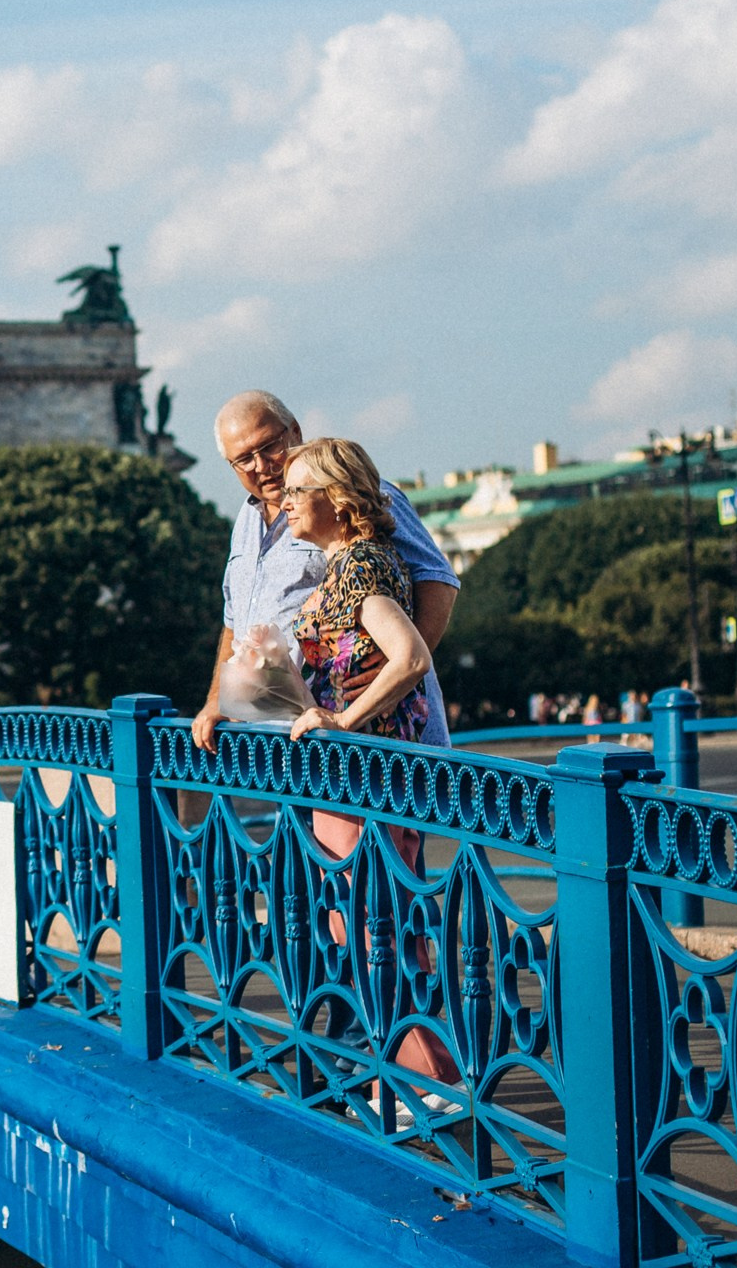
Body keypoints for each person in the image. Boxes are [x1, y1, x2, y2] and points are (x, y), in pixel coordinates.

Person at [274, 439, 459, 1114]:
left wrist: (343, 720)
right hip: (365, 775)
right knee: (375, 919)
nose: (285, 503)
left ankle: (417, 1084)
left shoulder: (359, 568)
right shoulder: (350, 565)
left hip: (366, 775)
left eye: (298, 491)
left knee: (369, 921)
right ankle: (408, 1077)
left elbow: (409, 656)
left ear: (337, 499)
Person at [193, 391, 458, 754]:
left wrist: (384, 682)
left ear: (294, 431)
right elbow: (234, 621)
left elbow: (437, 583)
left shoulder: (358, 492)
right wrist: (218, 700)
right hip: (283, 745)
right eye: (243, 460)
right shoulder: (244, 520)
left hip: (361, 740)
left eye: (269, 446)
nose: (260, 465)